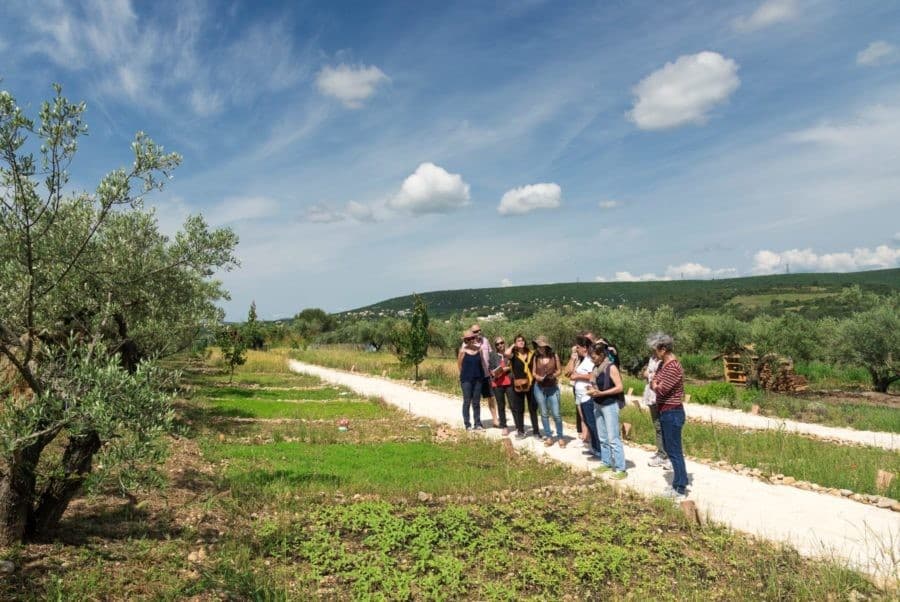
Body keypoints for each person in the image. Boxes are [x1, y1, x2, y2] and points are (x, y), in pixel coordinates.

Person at [649, 333, 688, 499]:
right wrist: (655, 383)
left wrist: (656, 384)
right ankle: (678, 482)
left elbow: (661, 388)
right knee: (670, 449)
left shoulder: (673, 367)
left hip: (673, 412)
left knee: (674, 451)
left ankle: (680, 487)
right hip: (665, 410)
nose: (654, 354)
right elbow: (653, 382)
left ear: (663, 349)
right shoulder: (661, 365)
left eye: (656, 350)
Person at [587, 340, 627, 479]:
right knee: (602, 437)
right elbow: (593, 383)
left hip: (609, 405)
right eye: (591, 356)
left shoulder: (611, 367)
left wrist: (602, 393)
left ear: (602, 354)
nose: (592, 358)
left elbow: (620, 387)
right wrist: (591, 390)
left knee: (613, 437)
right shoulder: (595, 368)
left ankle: (621, 468)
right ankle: (606, 462)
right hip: (597, 404)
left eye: (594, 356)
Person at [568, 335, 601, 457]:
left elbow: (592, 376)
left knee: (591, 422)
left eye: (578, 347)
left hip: (587, 394)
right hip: (580, 394)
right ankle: (593, 445)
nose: (576, 349)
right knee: (586, 420)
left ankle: (598, 448)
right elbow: (569, 372)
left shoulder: (590, 361)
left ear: (585, 348)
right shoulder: (582, 360)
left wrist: (577, 376)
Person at [531, 336, 564, 447]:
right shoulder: (536, 357)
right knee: (544, 413)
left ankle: (560, 437)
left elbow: (559, 370)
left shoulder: (554, 356)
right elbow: (533, 372)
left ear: (546, 347)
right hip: (539, 387)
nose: (539, 348)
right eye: (538, 346)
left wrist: (553, 376)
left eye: (541, 346)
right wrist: (538, 378)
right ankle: (549, 436)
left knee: (556, 414)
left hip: (552, 387)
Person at [505, 334, 539, 438]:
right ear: (515, 343)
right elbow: (506, 353)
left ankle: (536, 432)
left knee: (533, 408)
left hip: (531, 383)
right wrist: (512, 346)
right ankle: (521, 431)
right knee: (519, 408)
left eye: (523, 340)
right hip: (519, 385)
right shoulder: (513, 355)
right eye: (519, 341)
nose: (521, 342)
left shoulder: (531, 354)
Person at [642, 343, 669, 468]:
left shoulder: (667, 361)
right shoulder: (652, 359)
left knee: (665, 426)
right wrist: (650, 375)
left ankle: (667, 455)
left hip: (660, 395)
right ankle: (662, 453)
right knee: (657, 425)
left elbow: (660, 378)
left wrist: (651, 375)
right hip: (651, 395)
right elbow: (646, 373)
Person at [469, 324, 498, 428]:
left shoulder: (485, 341)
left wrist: (494, 369)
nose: (478, 333)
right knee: (476, 400)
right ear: (472, 333)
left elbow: (490, 355)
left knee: (491, 397)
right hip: (475, 376)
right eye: (476, 331)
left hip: (486, 375)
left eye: (479, 330)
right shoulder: (469, 343)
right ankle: (477, 422)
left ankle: (495, 420)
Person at [457, 330, 485, 430]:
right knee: (467, 401)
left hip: (478, 379)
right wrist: (464, 376)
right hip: (466, 380)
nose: (470, 340)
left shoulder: (479, 350)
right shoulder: (462, 351)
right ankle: (467, 424)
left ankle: (477, 423)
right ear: (465, 340)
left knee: (476, 402)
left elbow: (482, 363)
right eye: (468, 339)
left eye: (472, 338)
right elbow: (459, 365)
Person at [489, 337, 512, 435]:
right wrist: (495, 372)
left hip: (509, 382)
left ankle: (520, 427)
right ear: (495, 346)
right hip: (498, 383)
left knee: (513, 404)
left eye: (501, 343)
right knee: (501, 405)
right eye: (497, 344)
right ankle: (504, 426)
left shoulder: (510, 354)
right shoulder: (492, 356)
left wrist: (508, 368)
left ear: (504, 343)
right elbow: (490, 369)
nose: (500, 345)